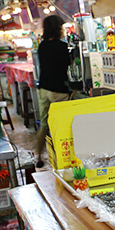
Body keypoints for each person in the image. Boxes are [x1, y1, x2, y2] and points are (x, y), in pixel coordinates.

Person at [35, 15, 71, 167]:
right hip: (58, 91)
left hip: (43, 90)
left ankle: (38, 157)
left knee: (44, 124)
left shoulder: (42, 46)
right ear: (58, 29)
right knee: (61, 124)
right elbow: (67, 67)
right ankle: (61, 158)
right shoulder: (62, 47)